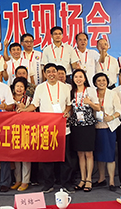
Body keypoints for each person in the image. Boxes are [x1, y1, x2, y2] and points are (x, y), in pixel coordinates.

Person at [27, 63, 72, 193]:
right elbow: (34, 105)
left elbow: (69, 105)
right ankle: (48, 184)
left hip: (62, 128)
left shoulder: (65, 87)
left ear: (57, 73)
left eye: (54, 71)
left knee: (65, 158)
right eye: (48, 72)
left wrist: (66, 111)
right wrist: (24, 110)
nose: (51, 74)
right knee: (47, 158)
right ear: (45, 74)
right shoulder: (40, 88)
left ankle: (66, 183)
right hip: (46, 128)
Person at [66, 69, 99, 193]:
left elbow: (98, 107)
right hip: (76, 125)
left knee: (88, 153)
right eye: (76, 77)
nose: (78, 79)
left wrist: (89, 102)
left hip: (88, 125)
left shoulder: (90, 90)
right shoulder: (72, 92)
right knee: (80, 154)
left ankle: (89, 179)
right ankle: (82, 179)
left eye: (80, 76)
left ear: (85, 78)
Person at [92, 72, 121, 191]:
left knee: (109, 155)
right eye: (99, 81)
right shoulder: (92, 94)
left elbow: (119, 110)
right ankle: (101, 179)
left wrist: (112, 117)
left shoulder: (112, 94)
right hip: (95, 127)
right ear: (95, 83)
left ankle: (111, 181)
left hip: (109, 127)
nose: (101, 83)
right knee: (99, 154)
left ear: (107, 82)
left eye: (104, 80)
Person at [11, 77, 32, 191]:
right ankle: (17, 180)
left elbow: (34, 114)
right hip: (12, 130)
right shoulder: (9, 98)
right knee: (16, 156)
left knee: (25, 156)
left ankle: (25, 181)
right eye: (17, 86)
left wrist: (25, 109)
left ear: (25, 89)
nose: (19, 88)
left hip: (25, 130)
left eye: (21, 87)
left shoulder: (28, 99)